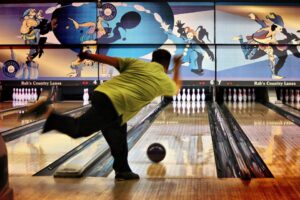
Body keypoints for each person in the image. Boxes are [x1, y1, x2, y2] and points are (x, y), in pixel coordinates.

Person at [23, 49, 182, 180]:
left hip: (104, 95)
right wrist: (178, 66)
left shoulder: (137, 63)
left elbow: (110, 60)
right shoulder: (163, 79)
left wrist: (88, 55)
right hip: (114, 104)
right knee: (79, 129)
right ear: (166, 65)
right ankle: (46, 111)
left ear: (152, 59)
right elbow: (176, 88)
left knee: (118, 137)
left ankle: (123, 170)